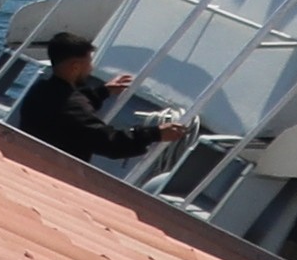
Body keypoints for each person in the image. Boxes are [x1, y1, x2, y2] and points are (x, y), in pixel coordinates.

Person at [14, 32, 186, 163]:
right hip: (56, 170)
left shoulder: (40, 90)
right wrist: (154, 134)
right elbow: (110, 143)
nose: (91, 68)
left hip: (28, 157)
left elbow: (69, 108)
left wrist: (103, 91)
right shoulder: (72, 108)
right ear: (75, 67)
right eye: (88, 63)